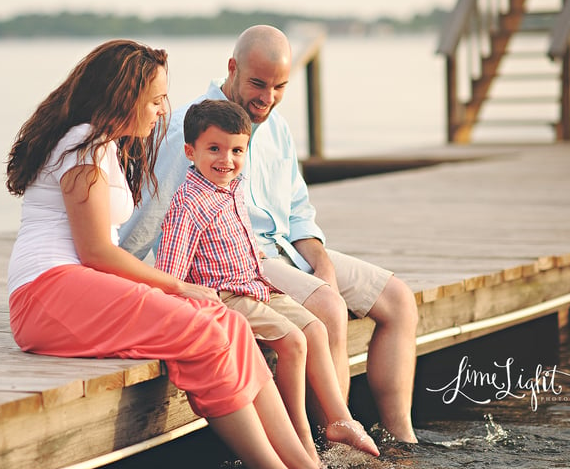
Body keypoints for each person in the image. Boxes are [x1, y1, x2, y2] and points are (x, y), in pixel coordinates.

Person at [5, 39, 360, 469]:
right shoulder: (82, 148)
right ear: (123, 96)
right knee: (208, 332)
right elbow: (95, 252)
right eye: (154, 100)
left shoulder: (104, 147)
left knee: (229, 324)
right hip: (48, 295)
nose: (161, 111)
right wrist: (180, 286)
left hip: (76, 290)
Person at [119, 26, 419, 443]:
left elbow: (298, 211)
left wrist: (322, 260)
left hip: (292, 252)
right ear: (232, 68)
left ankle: (402, 440)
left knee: (400, 300)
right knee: (328, 309)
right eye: (258, 83)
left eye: (279, 86)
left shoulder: (276, 126)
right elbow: (154, 213)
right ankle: (333, 441)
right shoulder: (195, 130)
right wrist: (111, 269)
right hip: (247, 259)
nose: (268, 97)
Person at [154, 99, 380, 460]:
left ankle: (339, 419)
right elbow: (170, 273)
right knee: (293, 341)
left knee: (316, 330)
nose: (226, 160)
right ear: (189, 151)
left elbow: (239, 233)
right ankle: (300, 438)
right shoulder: (188, 205)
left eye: (237, 150)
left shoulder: (234, 186)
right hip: (226, 295)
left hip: (255, 283)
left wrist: (248, 252)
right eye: (214, 149)